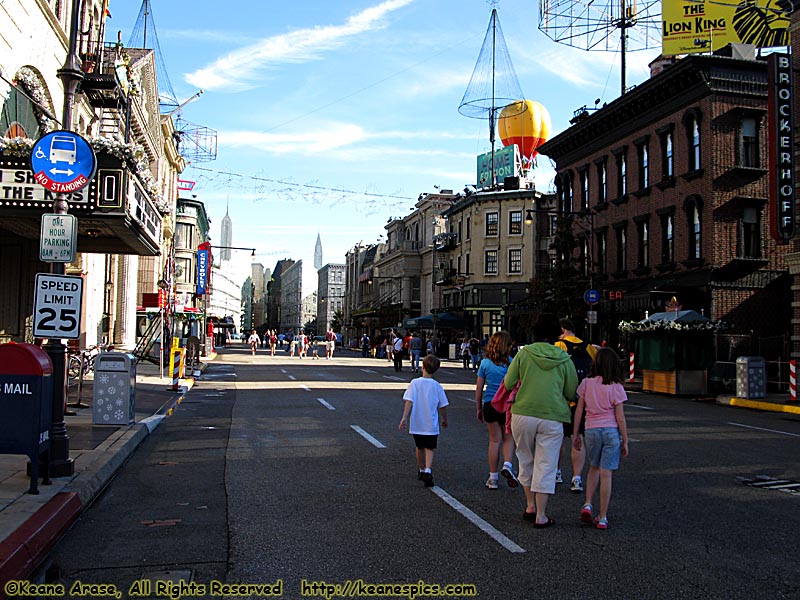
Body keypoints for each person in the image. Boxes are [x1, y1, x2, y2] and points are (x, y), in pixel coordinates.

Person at [503, 313, 578, 528]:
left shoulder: (524, 354)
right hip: (552, 416)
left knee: (525, 458)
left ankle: (529, 506)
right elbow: (572, 391)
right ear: (558, 333)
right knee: (546, 464)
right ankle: (542, 514)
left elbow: (509, 383)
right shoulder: (564, 358)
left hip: (523, 413)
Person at [572, 347, 629, 530]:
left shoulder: (586, 383)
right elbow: (620, 417)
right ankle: (603, 517)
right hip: (611, 430)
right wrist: (625, 439)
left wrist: (575, 433)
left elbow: (579, 409)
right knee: (607, 473)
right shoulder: (616, 387)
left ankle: (588, 503)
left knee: (593, 468)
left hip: (591, 430)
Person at [554, 318, 598, 493]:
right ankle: (577, 478)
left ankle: (557, 472)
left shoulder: (559, 345)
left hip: (562, 399)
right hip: (582, 400)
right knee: (577, 438)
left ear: (563, 330)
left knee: (556, 438)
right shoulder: (588, 347)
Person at [475, 331, 518, 490]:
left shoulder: (485, 363)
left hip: (490, 403)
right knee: (508, 438)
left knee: (494, 440)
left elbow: (479, 388)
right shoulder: (512, 363)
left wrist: (478, 407)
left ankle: (493, 477)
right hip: (507, 404)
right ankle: (507, 464)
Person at [398, 354, 449, 488]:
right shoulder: (437, 386)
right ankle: (428, 469)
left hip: (417, 422)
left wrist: (404, 417)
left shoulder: (414, 383)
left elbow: (409, 401)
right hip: (431, 424)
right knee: (430, 447)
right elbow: (442, 405)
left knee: (419, 447)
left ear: (422, 367)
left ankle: (421, 469)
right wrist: (444, 418)